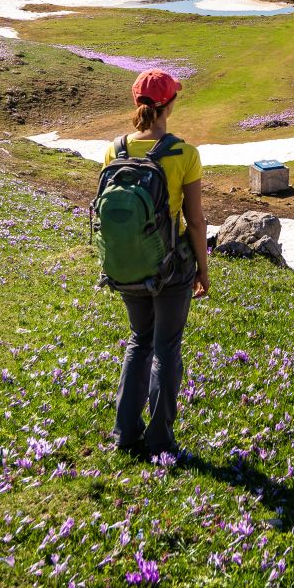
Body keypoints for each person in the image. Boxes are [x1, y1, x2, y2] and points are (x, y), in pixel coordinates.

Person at [102, 69, 210, 459]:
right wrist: (203, 268)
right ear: (169, 105)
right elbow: (195, 221)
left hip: (128, 263)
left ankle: (125, 434)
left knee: (138, 341)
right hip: (172, 267)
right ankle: (161, 440)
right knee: (166, 347)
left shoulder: (115, 149)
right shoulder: (184, 153)